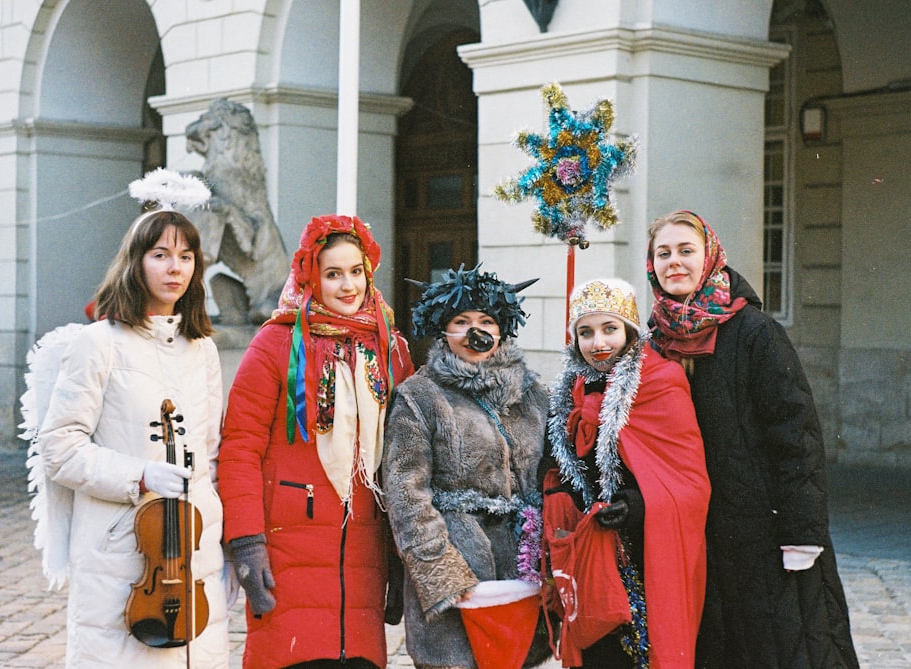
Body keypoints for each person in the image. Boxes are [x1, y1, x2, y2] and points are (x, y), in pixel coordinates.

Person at [646, 210, 860, 669]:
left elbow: (796, 433)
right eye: (663, 253)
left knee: (784, 650)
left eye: (686, 251)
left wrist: (802, 532)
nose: (674, 262)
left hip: (764, 534)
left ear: (710, 257)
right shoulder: (654, 341)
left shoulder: (755, 332)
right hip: (696, 536)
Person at [35, 173, 230, 667]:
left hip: (192, 549)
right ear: (135, 261)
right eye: (161, 255)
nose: (175, 268)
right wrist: (139, 474)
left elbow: (207, 451)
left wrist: (212, 529)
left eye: (186, 257)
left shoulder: (203, 348)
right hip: (121, 547)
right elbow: (59, 448)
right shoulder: (97, 343)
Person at [218, 214, 415, 669]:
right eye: (332, 274)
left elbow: (403, 460)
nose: (347, 286)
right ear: (311, 277)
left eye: (355, 272)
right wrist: (246, 541)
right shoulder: (275, 343)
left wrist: (401, 557)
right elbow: (240, 448)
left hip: (365, 554)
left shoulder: (390, 347)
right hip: (288, 551)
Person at [382, 264, 549, 669]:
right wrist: (443, 575)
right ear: (443, 329)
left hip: (520, 577)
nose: (476, 331)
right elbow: (406, 494)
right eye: (462, 321)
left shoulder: (534, 395)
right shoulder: (419, 397)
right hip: (458, 574)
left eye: (486, 321)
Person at [544, 278, 711, 669]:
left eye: (609, 328)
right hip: (588, 550)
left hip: (642, 547)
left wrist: (637, 504)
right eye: (585, 332)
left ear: (630, 331)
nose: (597, 341)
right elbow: (562, 461)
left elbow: (688, 479)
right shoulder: (571, 389)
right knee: (595, 647)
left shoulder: (660, 381)